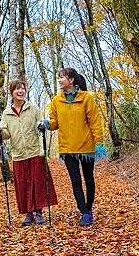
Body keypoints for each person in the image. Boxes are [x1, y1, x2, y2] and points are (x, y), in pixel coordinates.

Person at [40, 68, 106, 227]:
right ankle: (84, 212)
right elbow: (55, 122)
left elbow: (95, 122)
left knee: (89, 179)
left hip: (86, 147)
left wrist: (99, 143)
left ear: (72, 80)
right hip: (67, 148)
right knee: (75, 181)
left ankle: (89, 209)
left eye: (62, 77)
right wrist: (46, 124)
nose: (60, 80)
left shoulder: (86, 98)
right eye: (59, 77)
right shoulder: (56, 100)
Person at [0, 79, 58, 226]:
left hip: (35, 151)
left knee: (38, 183)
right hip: (18, 155)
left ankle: (39, 213)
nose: (20, 91)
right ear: (12, 92)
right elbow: (6, 134)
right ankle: (28, 214)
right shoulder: (7, 113)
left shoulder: (32, 108)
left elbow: (40, 125)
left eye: (22, 88)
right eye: (17, 89)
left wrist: (42, 125)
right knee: (23, 184)